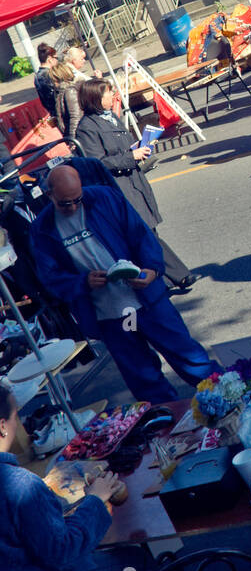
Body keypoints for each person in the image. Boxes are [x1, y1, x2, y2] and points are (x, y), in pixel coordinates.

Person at [33, 165, 215, 402]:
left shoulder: (103, 198)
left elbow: (140, 235)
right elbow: (50, 278)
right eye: (66, 203)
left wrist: (151, 268)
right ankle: (168, 421)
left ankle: (227, 397)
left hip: (147, 301)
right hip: (110, 316)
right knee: (143, 376)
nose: (74, 207)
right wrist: (82, 282)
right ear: (50, 195)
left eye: (78, 199)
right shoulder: (42, 229)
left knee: (188, 356)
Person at [0, 379, 144, 571]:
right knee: (132, 564)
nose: (20, 426)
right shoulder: (19, 485)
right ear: (2, 426)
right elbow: (62, 552)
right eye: (17, 417)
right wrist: (94, 500)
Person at [75, 79, 197, 292]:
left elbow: (121, 150)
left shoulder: (111, 117)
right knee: (145, 234)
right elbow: (97, 163)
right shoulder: (86, 128)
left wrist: (140, 148)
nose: (113, 95)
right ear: (95, 97)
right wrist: (131, 156)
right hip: (120, 187)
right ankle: (180, 275)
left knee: (148, 233)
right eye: (108, 93)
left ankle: (158, 280)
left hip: (135, 181)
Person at [48, 58, 83, 138]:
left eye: (53, 79)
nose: (52, 82)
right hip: (73, 134)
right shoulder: (61, 92)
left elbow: (75, 118)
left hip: (78, 136)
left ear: (59, 78)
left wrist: (73, 140)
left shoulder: (69, 91)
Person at [34, 42, 58, 116]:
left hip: (55, 112)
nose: (57, 60)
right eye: (56, 58)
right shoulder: (45, 75)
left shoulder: (39, 75)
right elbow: (54, 97)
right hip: (59, 112)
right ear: (49, 59)